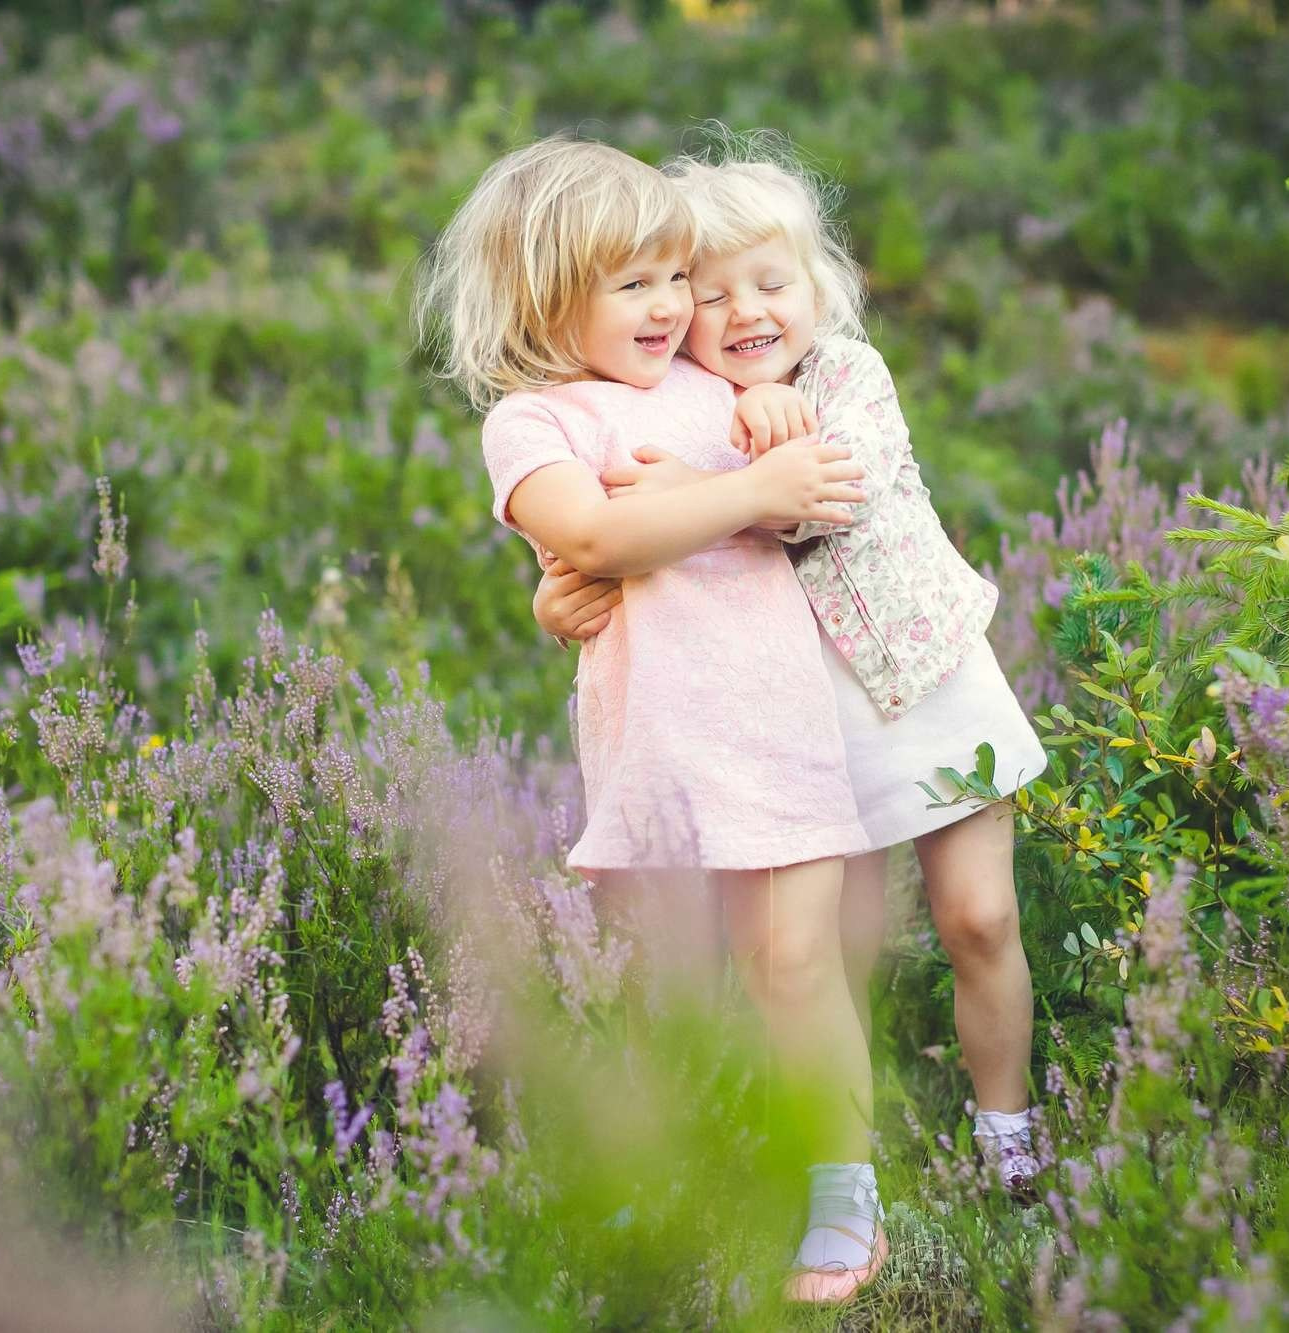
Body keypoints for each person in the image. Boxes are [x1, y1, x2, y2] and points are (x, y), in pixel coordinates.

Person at [417, 134, 891, 1304]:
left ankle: (842, 1198)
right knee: (664, 983)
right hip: (653, 746)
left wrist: (770, 440)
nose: (672, 304)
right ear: (543, 293)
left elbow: (811, 487)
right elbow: (588, 536)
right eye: (635, 282)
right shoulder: (532, 425)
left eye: (673, 276)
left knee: (794, 966)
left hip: (775, 727)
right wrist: (735, 499)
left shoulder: (721, 387)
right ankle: (683, 1178)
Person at [534, 134, 1049, 1212]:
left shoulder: (848, 375)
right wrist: (559, 590)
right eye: (707, 295)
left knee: (976, 918)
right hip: (793, 725)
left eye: (772, 282)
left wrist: (711, 479)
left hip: (926, 681)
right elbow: (617, 533)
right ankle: (850, 1160)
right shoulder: (671, 404)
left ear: (819, 287)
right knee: (824, 956)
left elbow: (818, 499)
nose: (743, 312)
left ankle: (1009, 1131)